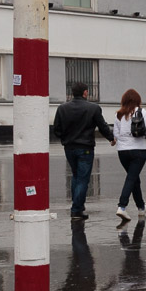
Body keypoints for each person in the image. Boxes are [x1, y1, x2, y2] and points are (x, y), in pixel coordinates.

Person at [51, 81, 114, 220]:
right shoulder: (93, 108)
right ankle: (76, 209)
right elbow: (102, 126)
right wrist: (111, 138)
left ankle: (77, 204)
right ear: (85, 92)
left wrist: (66, 139)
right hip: (85, 148)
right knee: (83, 179)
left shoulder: (62, 108)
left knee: (76, 175)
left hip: (69, 148)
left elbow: (56, 129)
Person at [112, 88, 146, 222]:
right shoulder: (140, 111)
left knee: (134, 178)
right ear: (137, 100)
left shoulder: (118, 114)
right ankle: (122, 206)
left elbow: (116, 135)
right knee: (131, 178)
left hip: (122, 151)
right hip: (138, 150)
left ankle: (141, 207)